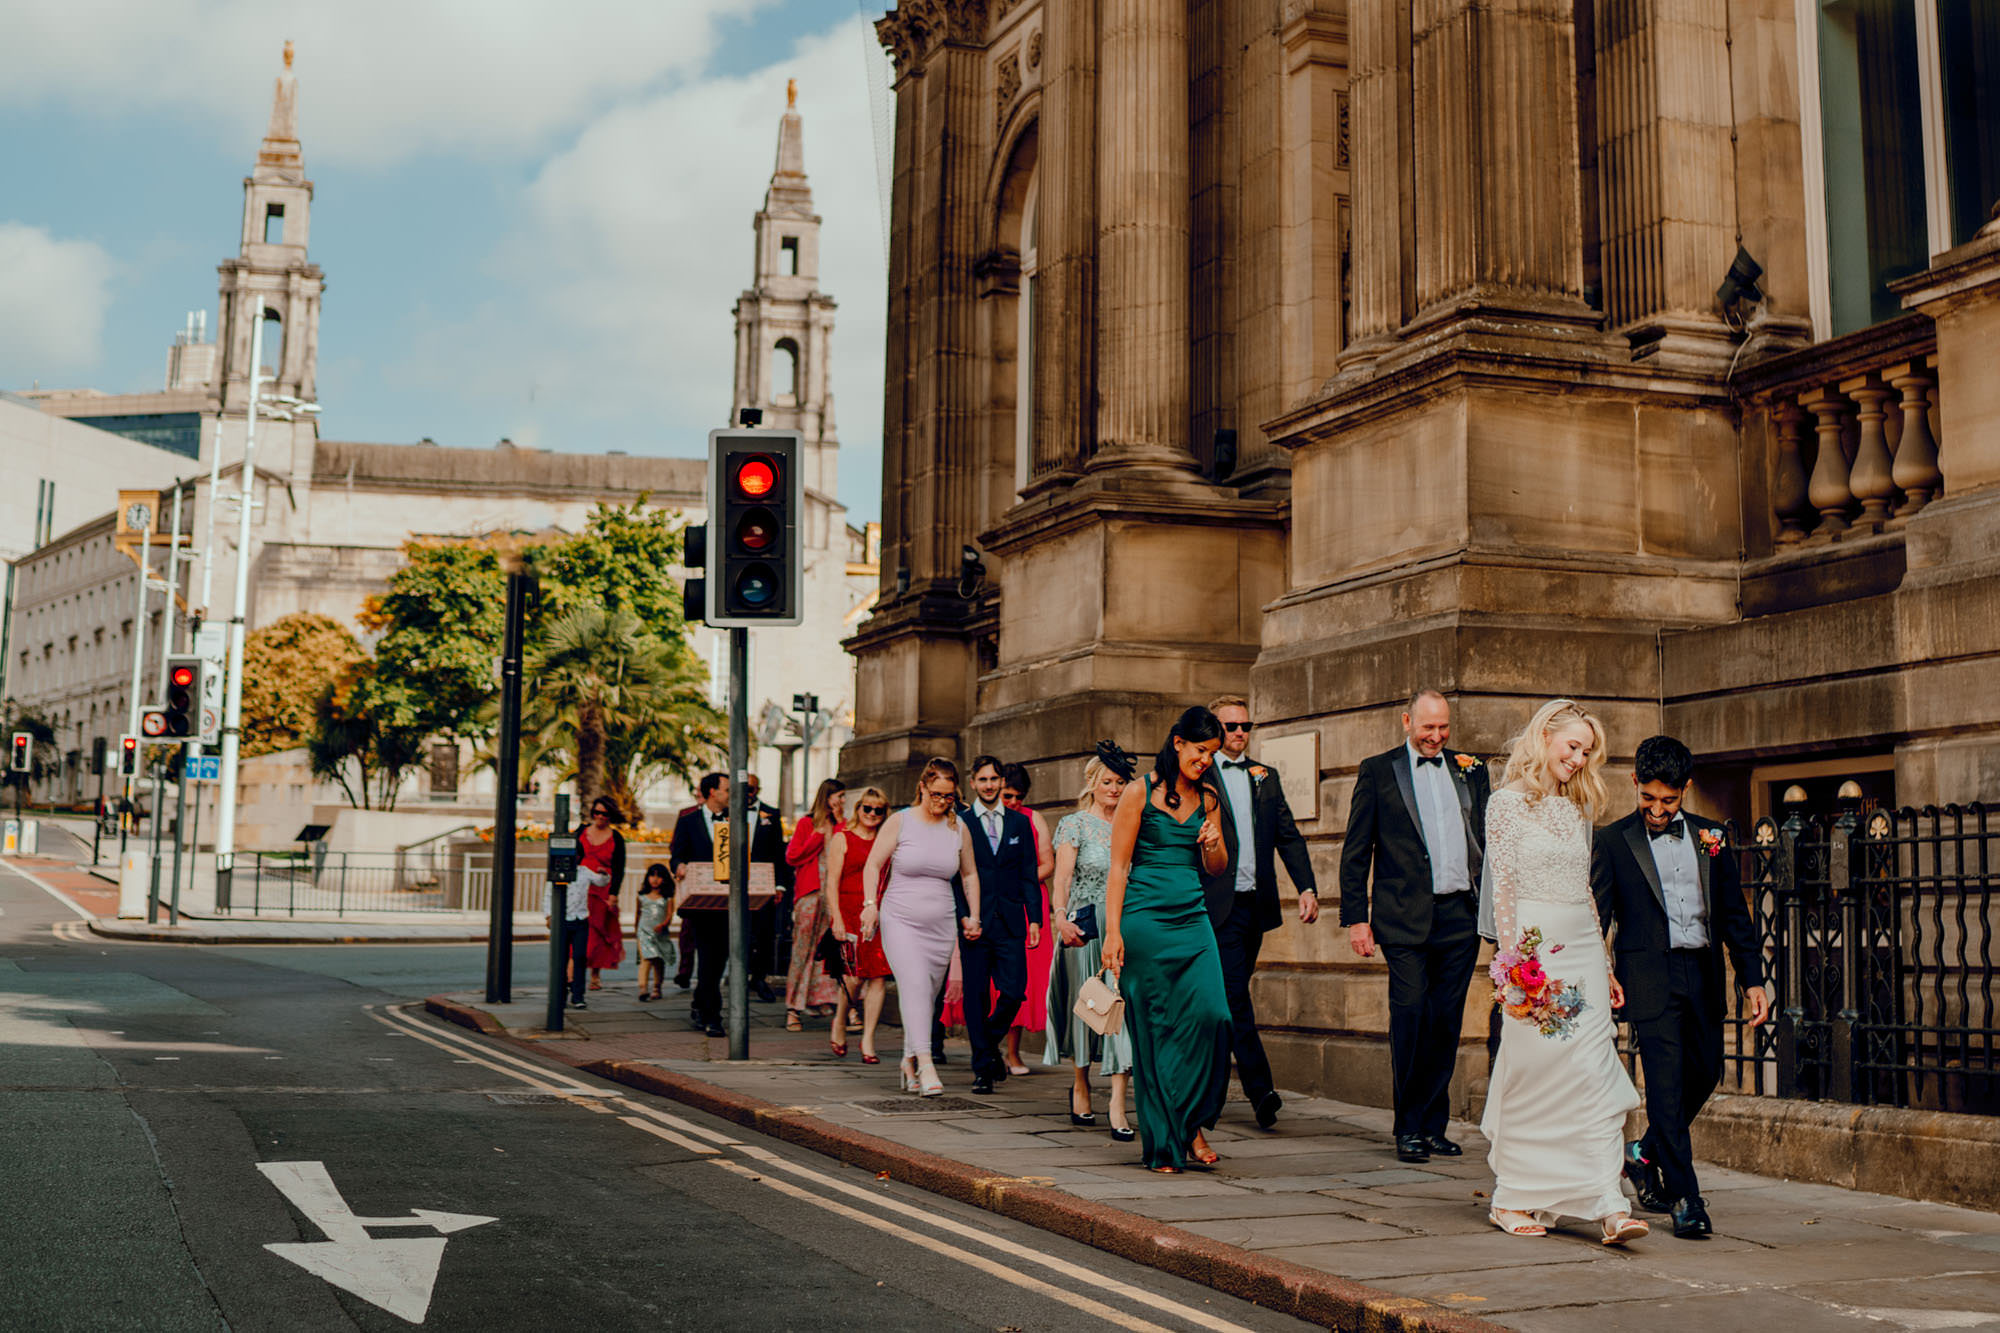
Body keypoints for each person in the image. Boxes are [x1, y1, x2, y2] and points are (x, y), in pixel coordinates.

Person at [1477, 699, 1647, 1244]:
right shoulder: (1505, 805)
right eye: (1572, 746)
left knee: (1595, 1070)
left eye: (1586, 752)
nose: (1578, 759)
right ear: (1545, 736)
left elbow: (1586, 893)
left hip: (1580, 948)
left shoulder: (1577, 810)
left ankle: (1607, 1203)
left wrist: (1604, 959)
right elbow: (1502, 888)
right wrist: (1509, 963)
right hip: (1533, 950)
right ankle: (1513, 1198)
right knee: (1535, 1071)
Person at [1593, 734, 1770, 1240]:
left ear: (1686, 790)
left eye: (1668, 801)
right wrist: (1602, 970)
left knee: (1707, 1070)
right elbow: (1597, 917)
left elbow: (1736, 917)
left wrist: (1753, 980)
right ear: (1635, 785)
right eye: (1648, 798)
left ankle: (1645, 1152)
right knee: (1666, 1087)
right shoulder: (1612, 841)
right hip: (1648, 979)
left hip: (1702, 972)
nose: (1657, 809)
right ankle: (1685, 1197)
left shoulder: (1713, 838)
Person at [1339, 688, 1491, 1163]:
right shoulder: (1379, 770)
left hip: (1457, 919)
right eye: (1427, 727)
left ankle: (1433, 1125)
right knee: (1409, 1017)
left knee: (1445, 1024)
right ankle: (1407, 1126)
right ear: (1407, 721)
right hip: (1402, 919)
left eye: (1443, 727)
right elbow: (1356, 850)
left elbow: (1487, 841)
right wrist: (1356, 920)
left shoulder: (1471, 769)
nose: (1436, 736)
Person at [1103, 707, 1233, 1173]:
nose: (1205, 761)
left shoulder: (1210, 797)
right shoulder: (1138, 792)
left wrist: (1212, 842)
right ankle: (1165, 1145)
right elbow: (1118, 868)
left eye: (1212, 754)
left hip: (1192, 917)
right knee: (1156, 1033)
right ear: (1178, 742)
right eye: (1201, 751)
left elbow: (1216, 869)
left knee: (1213, 1016)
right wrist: (1112, 933)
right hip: (1144, 922)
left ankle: (1191, 1119)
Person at [1203, 694, 1321, 1129]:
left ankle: (1210, 1094)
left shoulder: (1264, 777)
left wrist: (1305, 886)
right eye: (1230, 726)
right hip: (1215, 907)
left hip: (1254, 904)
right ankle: (1260, 1089)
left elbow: (1288, 835)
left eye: (1245, 726)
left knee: (1226, 999)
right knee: (1233, 996)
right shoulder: (1199, 774)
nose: (1238, 733)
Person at [862, 759, 983, 1097]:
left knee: (925, 996)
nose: (941, 802)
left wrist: (974, 914)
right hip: (900, 918)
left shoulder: (958, 828)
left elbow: (969, 874)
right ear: (922, 788)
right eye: (936, 794)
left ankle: (907, 1060)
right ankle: (927, 1063)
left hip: (941, 922)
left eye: (948, 796)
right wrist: (870, 906)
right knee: (914, 983)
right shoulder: (900, 822)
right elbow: (873, 864)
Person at [1046, 744, 1137, 1142]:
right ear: (1092, 783)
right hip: (1084, 926)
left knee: (1122, 1013)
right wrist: (1060, 916)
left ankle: (1118, 1100)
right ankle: (1081, 1082)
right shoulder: (1074, 824)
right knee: (1088, 1008)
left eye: (1120, 782)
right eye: (1107, 782)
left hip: (1126, 925)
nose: (1114, 789)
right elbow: (1062, 877)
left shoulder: (1135, 822)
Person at [957, 755, 1041, 1095]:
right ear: (973, 783)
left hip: (1010, 921)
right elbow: (956, 875)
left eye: (994, 780)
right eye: (983, 780)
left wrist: (1034, 917)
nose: (990, 785)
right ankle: (982, 1069)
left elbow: (1029, 875)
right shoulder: (960, 823)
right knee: (976, 997)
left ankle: (988, 1046)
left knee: (1013, 991)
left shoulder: (1019, 824)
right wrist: (964, 914)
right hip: (975, 923)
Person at [824, 786, 893, 1063]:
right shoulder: (843, 838)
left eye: (879, 810)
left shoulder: (886, 841)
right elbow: (831, 882)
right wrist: (836, 918)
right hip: (849, 911)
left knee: (878, 977)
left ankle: (868, 1040)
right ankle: (840, 1020)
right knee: (852, 976)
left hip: (880, 912)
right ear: (858, 809)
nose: (872, 814)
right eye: (868, 808)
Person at [999, 762, 1057, 1077]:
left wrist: (1020, 882)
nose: (1013, 803)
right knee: (996, 980)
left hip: (1028, 903)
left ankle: (1013, 1052)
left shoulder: (1033, 818)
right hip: (995, 904)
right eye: (1008, 795)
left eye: (1019, 796)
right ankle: (990, 1047)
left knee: (1025, 978)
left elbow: (1048, 862)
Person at [784, 778, 848, 1030]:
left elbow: (847, 851)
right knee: (802, 950)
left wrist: (840, 821)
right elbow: (792, 856)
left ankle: (821, 998)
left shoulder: (841, 825)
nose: (842, 801)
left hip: (834, 896)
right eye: (839, 796)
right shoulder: (806, 823)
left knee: (828, 950)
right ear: (828, 797)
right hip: (810, 894)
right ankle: (793, 1007)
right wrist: (817, 835)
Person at [670, 773, 730, 1038]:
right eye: (727, 789)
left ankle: (700, 1001)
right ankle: (713, 1016)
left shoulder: (736, 819)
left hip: (730, 901)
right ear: (712, 792)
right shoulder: (688, 820)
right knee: (707, 956)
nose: (731, 794)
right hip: (701, 902)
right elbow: (676, 855)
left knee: (721, 959)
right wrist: (679, 866)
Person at [743, 774, 790, 1005]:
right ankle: (740, 976)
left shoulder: (771, 814)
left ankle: (759, 978)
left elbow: (778, 853)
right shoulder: (726, 812)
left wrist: (779, 884)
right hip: (735, 883)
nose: (747, 793)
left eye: (751, 789)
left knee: (764, 933)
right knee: (740, 932)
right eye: (744, 789)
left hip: (763, 882)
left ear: (758, 789)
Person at [579, 796, 627, 991]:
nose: (600, 817)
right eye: (597, 812)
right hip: (581, 889)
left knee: (598, 933)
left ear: (610, 816)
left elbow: (619, 868)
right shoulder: (580, 831)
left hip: (602, 891)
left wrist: (614, 894)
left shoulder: (616, 837)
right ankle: (573, 972)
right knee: (579, 930)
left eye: (604, 814)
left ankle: (595, 974)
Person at [544, 857, 592, 1009]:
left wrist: (605, 874)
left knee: (579, 956)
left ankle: (578, 995)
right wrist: (548, 915)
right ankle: (560, 993)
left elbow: (602, 881)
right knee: (561, 957)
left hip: (580, 919)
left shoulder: (584, 872)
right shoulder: (556, 870)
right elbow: (548, 894)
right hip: (562, 919)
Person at [634, 863, 674, 1001]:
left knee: (658, 960)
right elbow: (637, 914)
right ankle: (643, 987)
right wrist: (637, 931)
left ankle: (657, 987)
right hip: (644, 932)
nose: (655, 879)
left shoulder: (667, 898)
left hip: (660, 933)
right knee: (646, 959)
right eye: (652, 875)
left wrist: (664, 924)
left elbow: (669, 914)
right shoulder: (641, 897)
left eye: (659, 876)